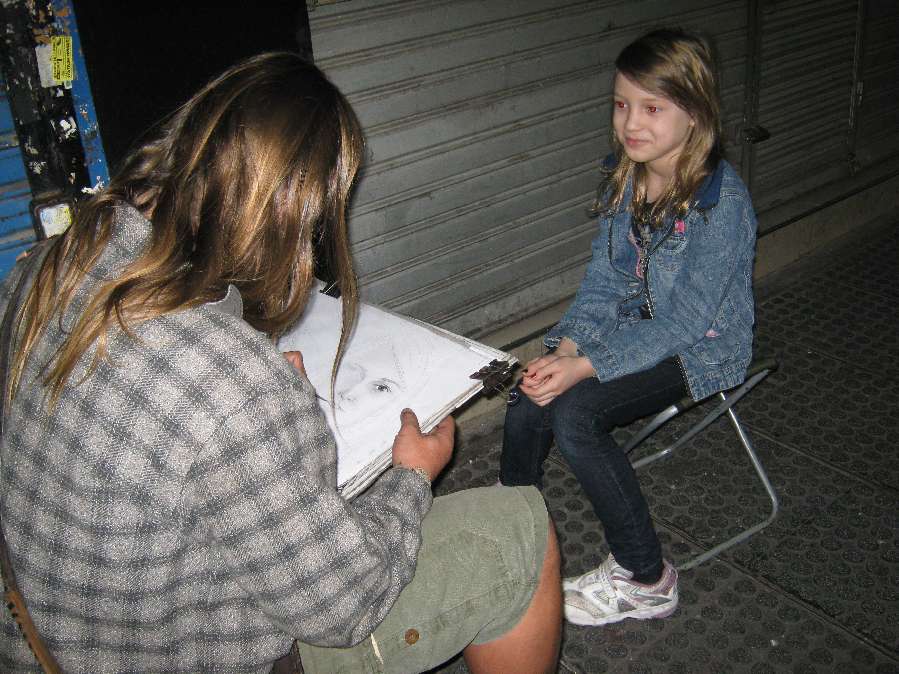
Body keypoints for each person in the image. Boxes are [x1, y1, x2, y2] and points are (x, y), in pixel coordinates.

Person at [0, 53, 561, 673]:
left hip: (43, 637)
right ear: (293, 209)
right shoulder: (233, 385)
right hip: (187, 657)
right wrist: (411, 477)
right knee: (520, 530)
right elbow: (346, 605)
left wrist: (259, 417)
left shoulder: (49, 267)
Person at [500, 28, 757, 627]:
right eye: (622, 104)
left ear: (695, 114)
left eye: (651, 108)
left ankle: (647, 579)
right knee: (531, 391)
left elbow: (686, 321)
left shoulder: (722, 204)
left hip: (703, 347)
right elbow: (605, 282)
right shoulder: (627, 177)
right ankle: (510, 528)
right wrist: (565, 349)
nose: (631, 123)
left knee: (575, 415)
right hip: (637, 323)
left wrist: (585, 367)